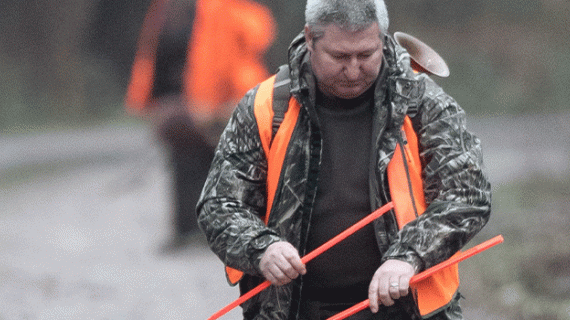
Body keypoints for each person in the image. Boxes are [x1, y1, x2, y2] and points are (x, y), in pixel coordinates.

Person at [197, 0, 491, 319]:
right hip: (294, 310)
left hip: (408, 308)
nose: (353, 70)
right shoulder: (266, 106)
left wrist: (409, 257)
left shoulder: (423, 102)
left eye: (366, 55)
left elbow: (468, 195)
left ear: (382, 38)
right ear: (310, 39)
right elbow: (218, 205)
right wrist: (262, 248)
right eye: (338, 56)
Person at [125, 0, 275, 251]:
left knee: (224, 164)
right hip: (184, 106)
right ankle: (188, 230)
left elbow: (251, 45)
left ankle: (223, 230)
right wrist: (154, 103)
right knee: (184, 156)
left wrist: (223, 105)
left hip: (228, 103)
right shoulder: (165, 9)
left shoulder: (225, 10)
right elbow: (155, 56)